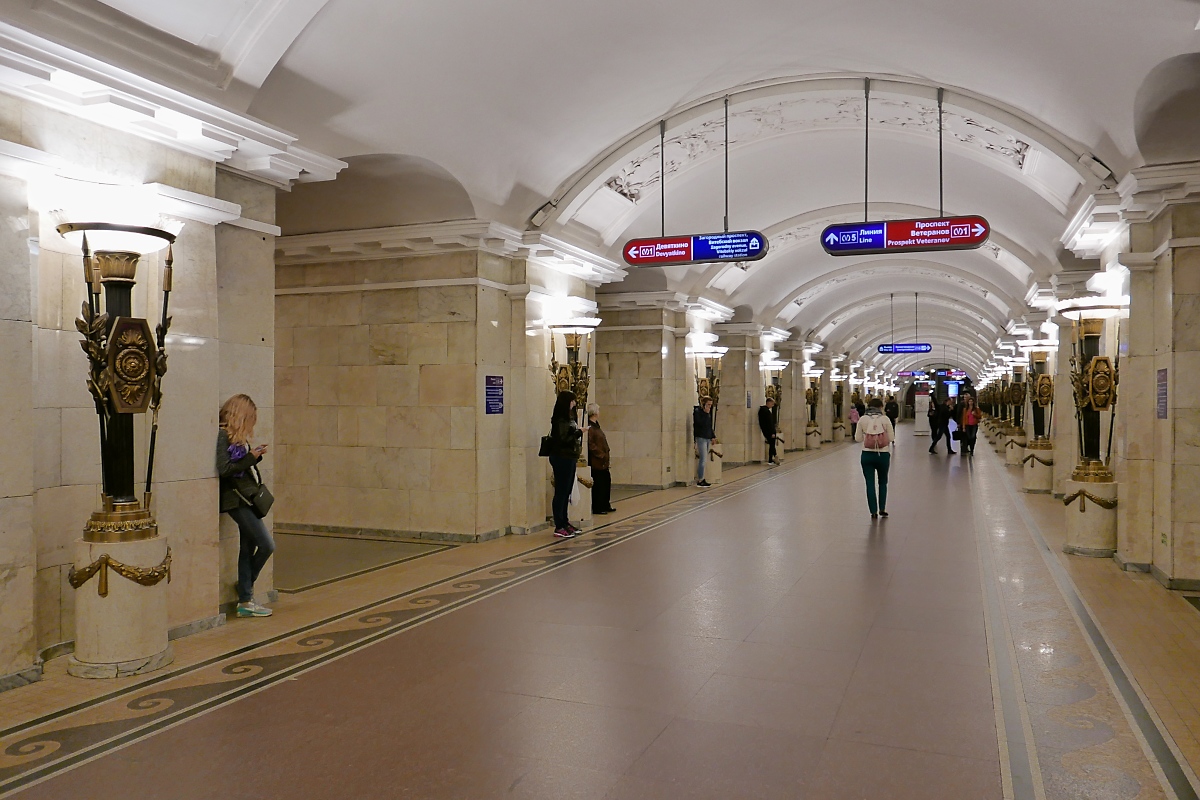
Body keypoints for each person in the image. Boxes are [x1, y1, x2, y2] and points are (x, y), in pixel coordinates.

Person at [217, 394, 275, 618]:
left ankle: (245, 600)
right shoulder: (223, 435)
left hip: (248, 498)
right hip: (237, 500)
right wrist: (251, 457)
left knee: (247, 548)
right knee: (267, 545)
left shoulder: (236, 437)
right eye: (250, 417)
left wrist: (254, 456)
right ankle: (245, 587)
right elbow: (224, 469)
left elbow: (241, 468)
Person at [546, 391, 583, 538]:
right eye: (572, 401)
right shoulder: (560, 419)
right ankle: (559, 525)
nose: (574, 404)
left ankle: (565, 522)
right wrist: (579, 432)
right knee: (561, 492)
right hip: (561, 457)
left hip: (569, 456)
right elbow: (564, 439)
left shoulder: (569, 417)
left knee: (567, 490)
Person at [855, 397, 895, 519]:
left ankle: (873, 511)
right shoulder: (885, 419)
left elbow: (858, 439)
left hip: (867, 455)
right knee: (883, 482)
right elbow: (892, 438)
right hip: (882, 455)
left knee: (870, 483)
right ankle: (882, 508)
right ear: (881, 407)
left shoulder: (863, 419)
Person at [586, 403, 615, 513]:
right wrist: (600, 454)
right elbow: (591, 444)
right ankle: (598, 507)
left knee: (606, 482)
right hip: (597, 461)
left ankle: (605, 504)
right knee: (599, 485)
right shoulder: (591, 428)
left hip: (603, 461)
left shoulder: (596, 426)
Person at [693, 397, 715, 487]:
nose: (709, 406)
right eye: (708, 404)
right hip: (701, 437)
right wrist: (705, 414)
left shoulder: (708, 413)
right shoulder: (698, 412)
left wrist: (713, 436)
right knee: (703, 458)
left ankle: (702, 477)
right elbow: (699, 424)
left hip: (707, 437)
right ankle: (700, 479)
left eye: (711, 405)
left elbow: (709, 426)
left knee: (704, 459)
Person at [758, 397, 780, 465]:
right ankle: (774, 456)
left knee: (771, 444)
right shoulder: (766, 411)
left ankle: (771, 459)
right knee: (772, 444)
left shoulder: (762, 410)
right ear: (769, 403)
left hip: (766, 431)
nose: (772, 406)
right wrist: (772, 432)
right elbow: (769, 423)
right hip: (769, 431)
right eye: (772, 404)